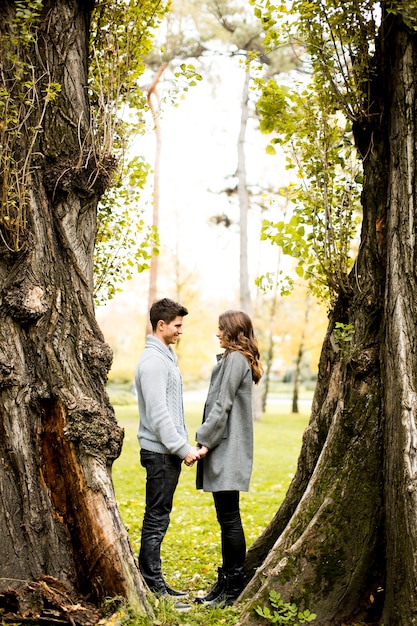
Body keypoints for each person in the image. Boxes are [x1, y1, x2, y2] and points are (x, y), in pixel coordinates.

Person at [194, 310, 263, 607]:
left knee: (230, 518)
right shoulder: (233, 359)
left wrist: (203, 442)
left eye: (221, 329)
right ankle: (224, 585)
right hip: (227, 447)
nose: (217, 334)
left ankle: (233, 588)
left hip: (227, 448)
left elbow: (221, 406)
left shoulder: (235, 359)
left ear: (234, 333)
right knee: (227, 518)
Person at [135, 297, 201, 603]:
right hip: (160, 452)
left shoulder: (165, 358)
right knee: (157, 516)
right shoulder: (153, 363)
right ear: (161, 325)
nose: (180, 331)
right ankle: (151, 582)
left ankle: (153, 578)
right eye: (177, 325)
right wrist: (182, 448)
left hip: (167, 452)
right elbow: (159, 414)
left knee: (159, 515)